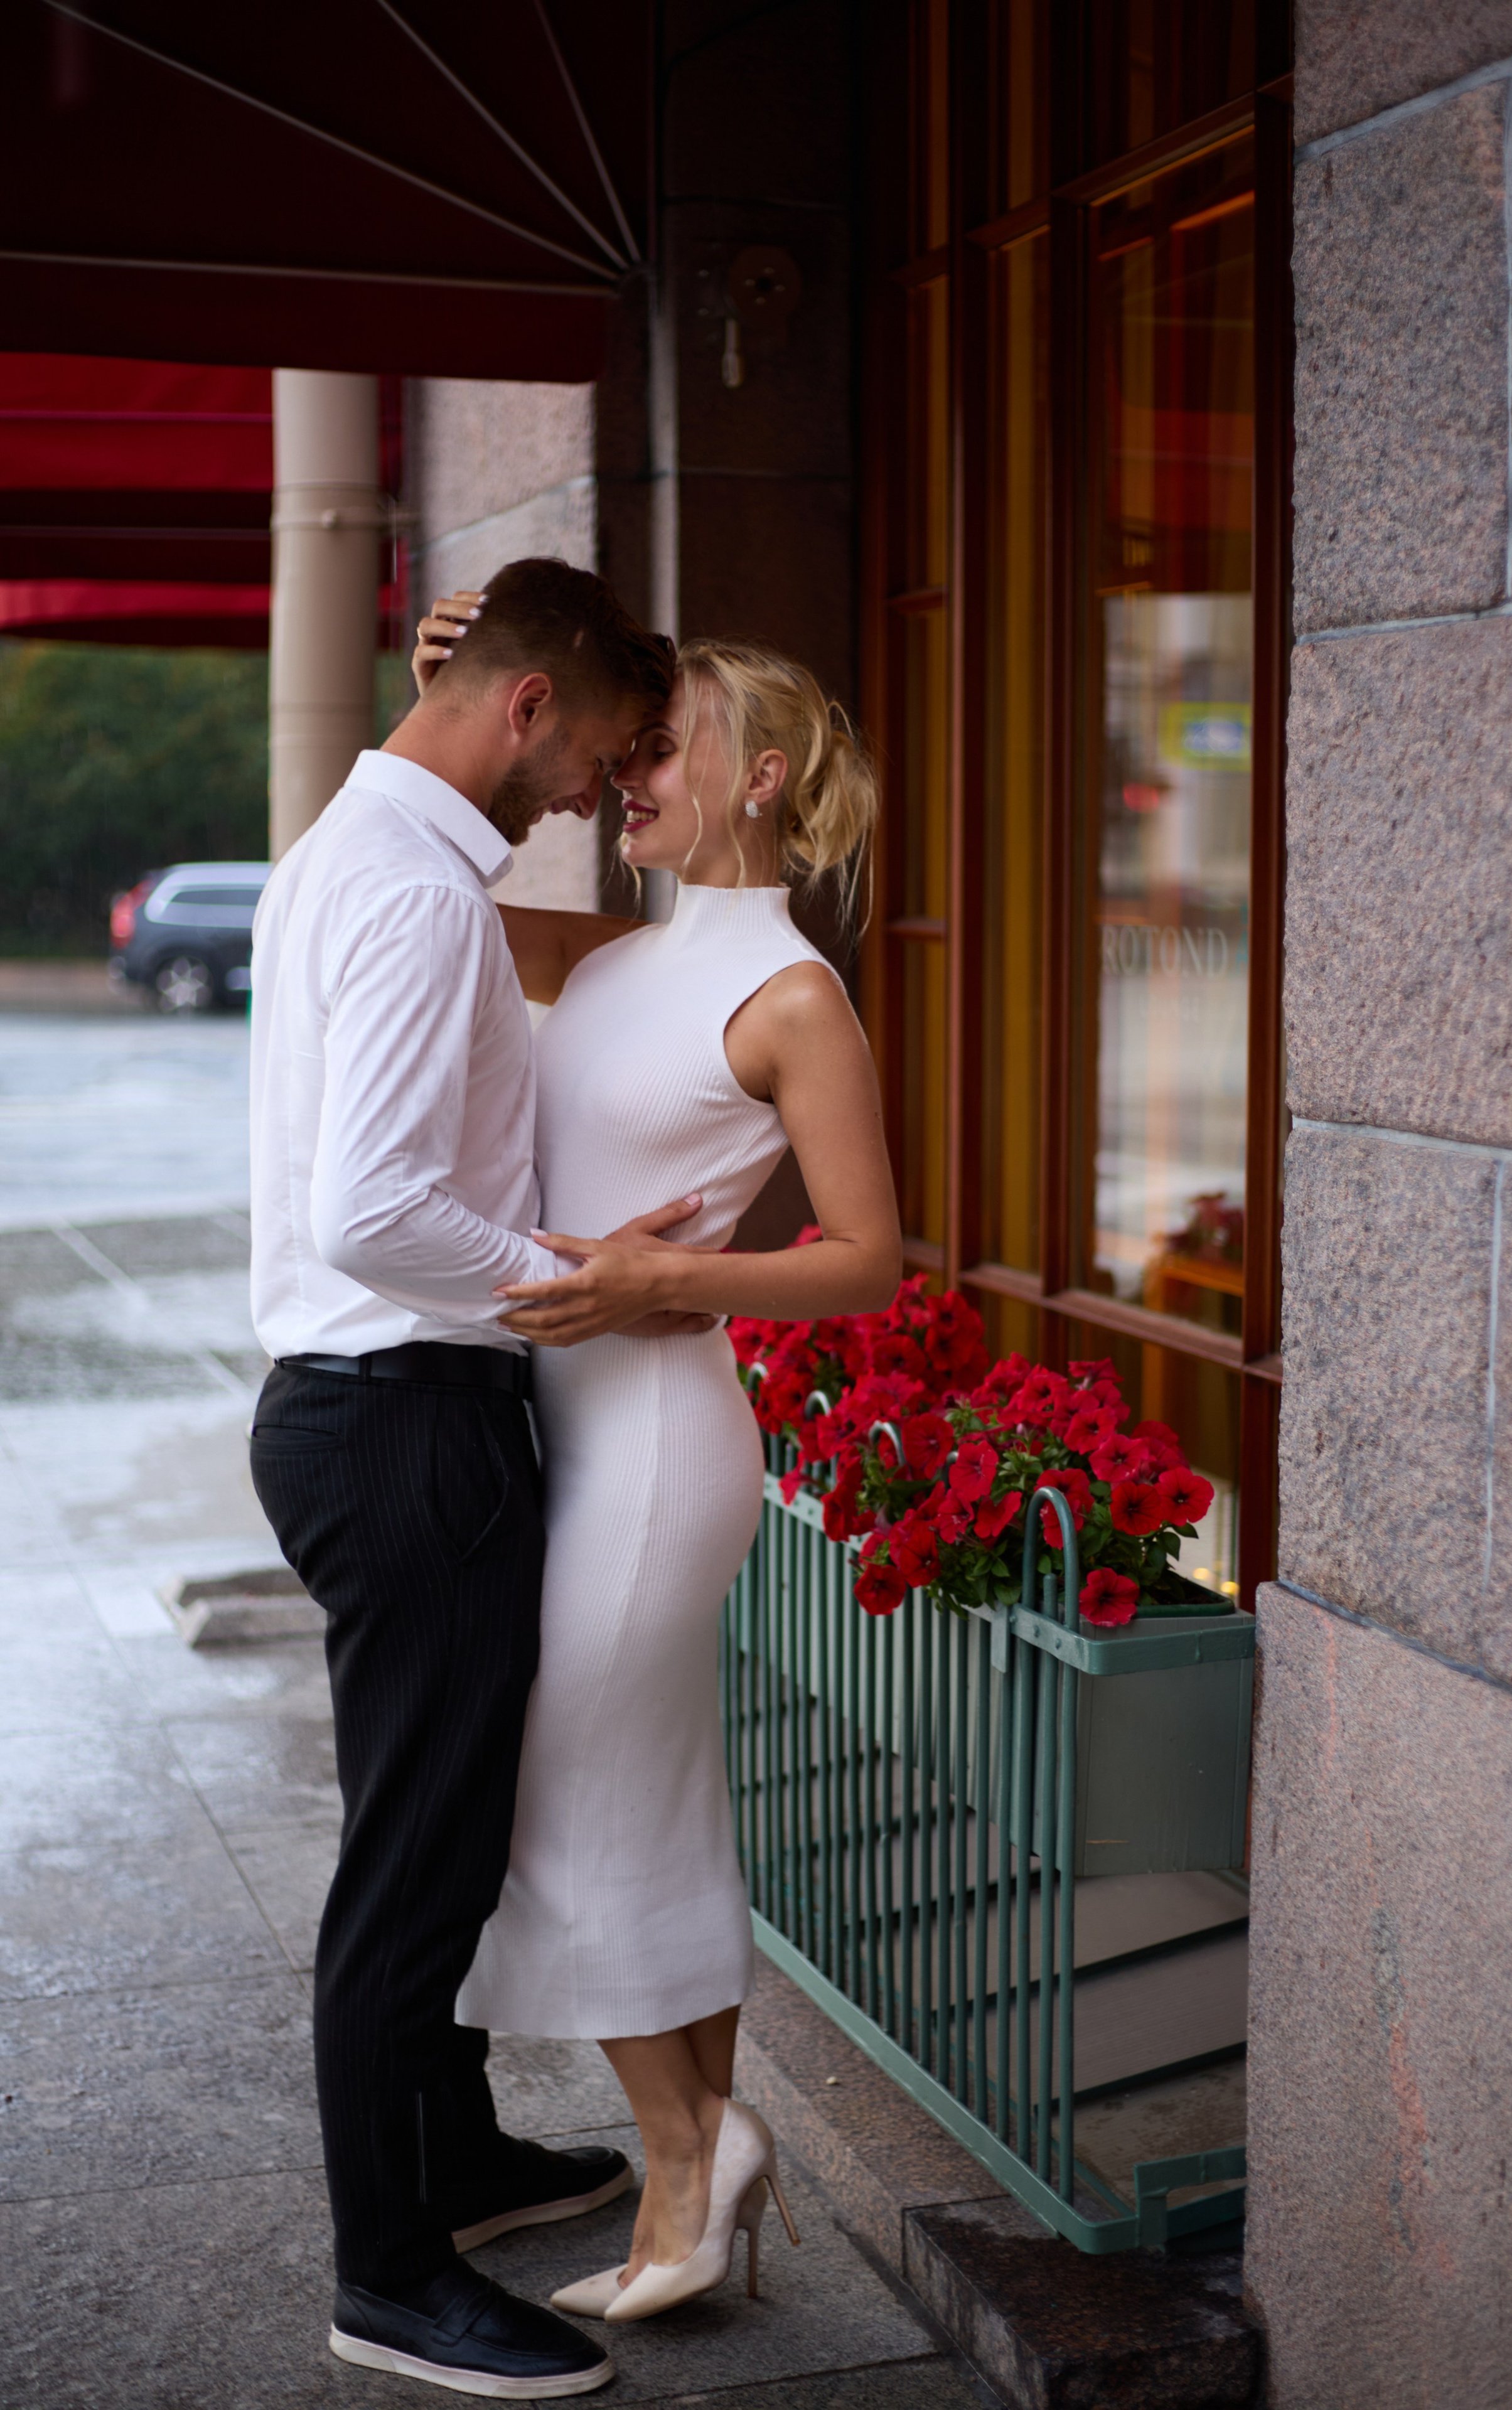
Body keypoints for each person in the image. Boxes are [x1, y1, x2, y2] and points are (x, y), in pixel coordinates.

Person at [249, 557, 716, 2399]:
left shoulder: (361, 856)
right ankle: (388, 2272)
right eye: (599, 746)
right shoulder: (416, 895)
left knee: (432, 1818)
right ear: (530, 708)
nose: (600, 787)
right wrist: (577, 1281)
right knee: (414, 1865)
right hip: (401, 1417)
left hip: (372, 1409)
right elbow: (368, 1208)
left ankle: (452, 2160)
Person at [413, 596, 902, 2326]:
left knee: (570, 1797)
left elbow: (868, 1259)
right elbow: (424, 877)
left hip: (658, 1439)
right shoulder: (610, 954)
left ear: (758, 779)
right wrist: (455, 693)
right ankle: (705, 2155)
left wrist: (659, 1281)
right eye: (625, 743)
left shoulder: (792, 997)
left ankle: (688, 2160)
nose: (627, 769)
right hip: (562, 1424)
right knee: (655, 1811)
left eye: (663, 743)